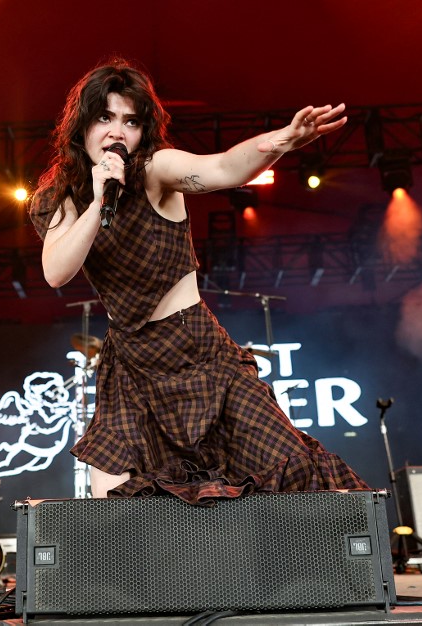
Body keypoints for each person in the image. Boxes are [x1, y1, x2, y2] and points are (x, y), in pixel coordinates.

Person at [28, 59, 367, 504]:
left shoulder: (156, 170)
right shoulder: (62, 197)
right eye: (104, 117)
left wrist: (282, 139)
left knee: (288, 465)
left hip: (197, 350)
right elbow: (56, 271)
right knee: (114, 496)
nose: (116, 133)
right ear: (82, 125)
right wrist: (98, 199)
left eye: (130, 122)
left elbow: (224, 169)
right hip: (131, 364)